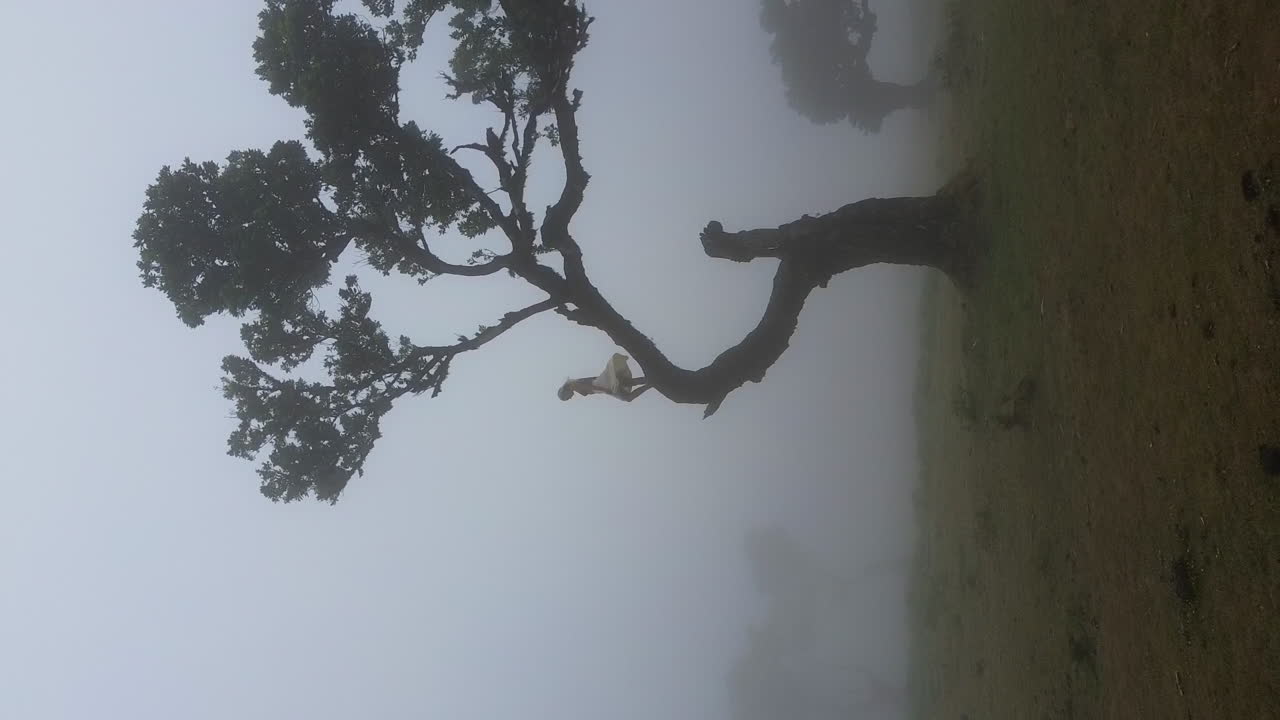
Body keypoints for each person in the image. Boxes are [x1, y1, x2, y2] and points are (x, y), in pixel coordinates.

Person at [558, 353, 651, 402]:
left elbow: (591, 387)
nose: (570, 398)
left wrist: (605, 390)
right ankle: (650, 381)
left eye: (567, 398)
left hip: (602, 385)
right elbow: (591, 380)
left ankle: (651, 384)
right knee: (627, 382)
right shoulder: (575, 384)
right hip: (601, 382)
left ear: (566, 393)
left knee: (627, 397)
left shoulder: (574, 385)